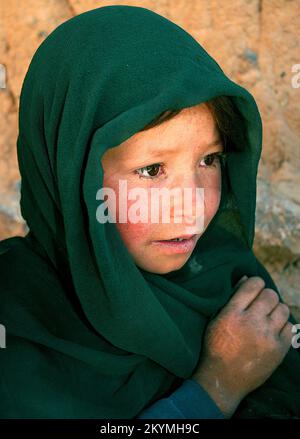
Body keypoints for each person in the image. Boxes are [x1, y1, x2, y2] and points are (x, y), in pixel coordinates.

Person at [0, 5, 299, 419]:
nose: (194, 205)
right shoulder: (16, 337)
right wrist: (216, 390)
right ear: (69, 176)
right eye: (152, 170)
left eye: (209, 160)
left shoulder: (226, 279)